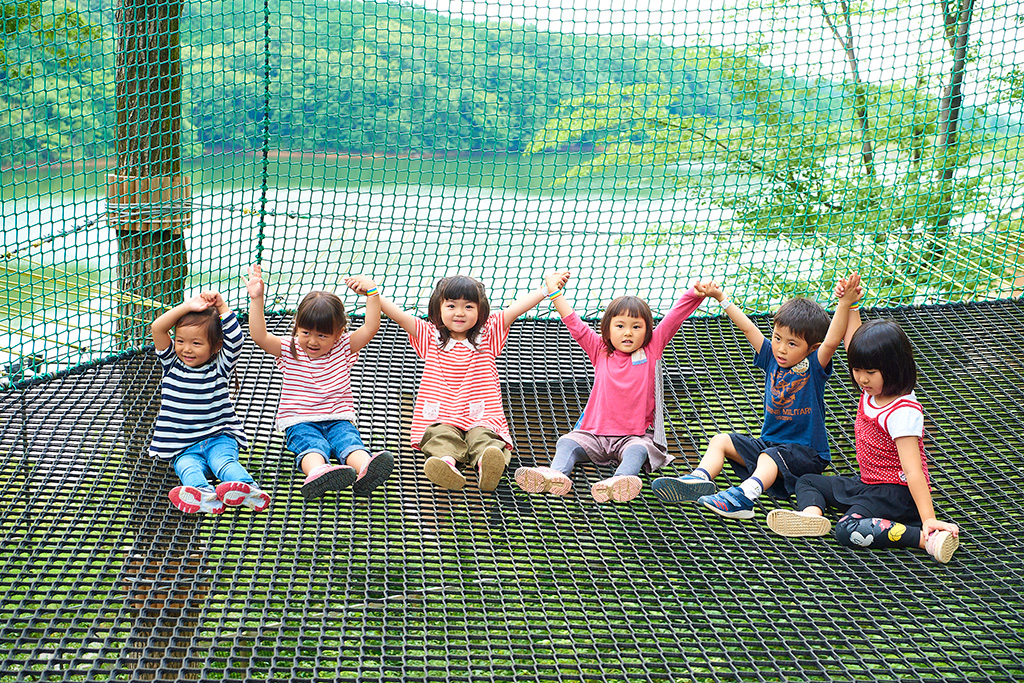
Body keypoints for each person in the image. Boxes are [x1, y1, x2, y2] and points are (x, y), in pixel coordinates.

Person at [651, 274, 862, 519]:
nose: (781, 348)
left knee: (768, 457)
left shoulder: (814, 365)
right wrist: (721, 298)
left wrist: (845, 303)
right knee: (721, 440)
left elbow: (832, 340)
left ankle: (745, 496)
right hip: (770, 446)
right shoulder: (771, 357)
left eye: (792, 344)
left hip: (807, 453)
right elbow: (748, 327)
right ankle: (698, 479)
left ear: (811, 348)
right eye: (777, 338)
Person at [766, 298, 961, 563]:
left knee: (847, 529)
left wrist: (929, 519)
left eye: (869, 372)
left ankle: (925, 538)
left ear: (893, 370)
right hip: (869, 483)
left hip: (896, 493)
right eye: (857, 370)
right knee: (807, 480)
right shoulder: (873, 390)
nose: (861, 379)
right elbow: (855, 343)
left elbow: (914, 470)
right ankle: (812, 516)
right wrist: (852, 304)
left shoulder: (902, 412)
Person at [514, 275, 708, 503]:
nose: (628, 333)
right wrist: (554, 293)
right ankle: (556, 475)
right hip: (594, 436)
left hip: (633, 436)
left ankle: (619, 481)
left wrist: (694, 294)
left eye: (636, 327)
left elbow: (674, 318)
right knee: (567, 442)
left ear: (647, 331)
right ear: (607, 329)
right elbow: (574, 323)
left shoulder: (651, 350)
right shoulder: (600, 350)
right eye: (620, 326)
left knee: (638, 450)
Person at [378, 272, 569, 491]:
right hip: (442, 414)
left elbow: (517, 308)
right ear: (438, 309)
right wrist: (372, 293)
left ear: (480, 311)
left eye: (469, 307)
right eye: (451, 306)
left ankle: (486, 465)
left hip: (481, 414)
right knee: (440, 436)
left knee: (485, 438)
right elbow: (399, 316)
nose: (460, 313)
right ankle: (446, 465)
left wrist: (546, 290)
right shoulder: (430, 336)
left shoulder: (488, 333)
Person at [246, 265, 394, 500]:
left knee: (349, 441)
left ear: (339, 333)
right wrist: (257, 299)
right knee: (311, 446)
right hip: (300, 420)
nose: (312, 341)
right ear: (297, 328)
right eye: (305, 332)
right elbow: (259, 336)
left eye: (322, 335)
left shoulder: (344, 346)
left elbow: (371, 327)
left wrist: (372, 293)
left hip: (337, 417)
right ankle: (318, 473)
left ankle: (366, 468)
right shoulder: (290, 349)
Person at [151, 291, 271, 515]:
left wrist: (222, 306)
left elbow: (235, 339)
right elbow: (157, 328)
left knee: (223, 463)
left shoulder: (220, 366)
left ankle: (249, 490)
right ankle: (204, 495)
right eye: (180, 341)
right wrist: (187, 306)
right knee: (187, 467)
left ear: (215, 346)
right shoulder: (171, 363)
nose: (186, 349)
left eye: (196, 343)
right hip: (184, 445)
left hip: (218, 437)